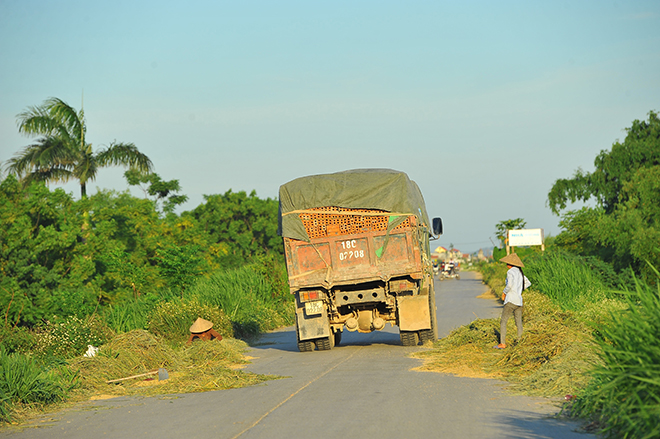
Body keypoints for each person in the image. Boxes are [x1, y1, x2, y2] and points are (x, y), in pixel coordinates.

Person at [494, 253, 531, 349]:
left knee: (503, 321)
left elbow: (509, 286)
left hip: (511, 300)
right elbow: (527, 283)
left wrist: (504, 292)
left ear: (510, 264)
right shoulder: (520, 272)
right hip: (519, 301)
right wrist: (518, 290)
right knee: (518, 323)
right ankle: (519, 342)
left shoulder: (510, 272)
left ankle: (502, 343)